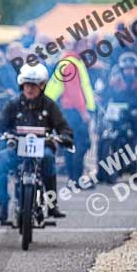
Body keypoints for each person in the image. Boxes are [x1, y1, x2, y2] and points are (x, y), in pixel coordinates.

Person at [0, 64, 73, 222]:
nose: (30, 89)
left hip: (43, 148)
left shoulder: (50, 105)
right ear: (22, 85)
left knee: (49, 159)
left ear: (42, 86)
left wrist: (65, 137)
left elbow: (63, 126)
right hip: (16, 148)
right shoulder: (13, 104)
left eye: (34, 85)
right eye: (27, 84)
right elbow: (0, 123)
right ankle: (2, 206)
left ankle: (52, 204)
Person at [45, 41, 96, 184]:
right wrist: (83, 112)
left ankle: (73, 178)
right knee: (81, 144)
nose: (88, 47)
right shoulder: (71, 63)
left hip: (70, 111)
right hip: (74, 112)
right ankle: (76, 178)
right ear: (78, 46)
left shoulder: (71, 61)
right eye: (85, 45)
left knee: (71, 145)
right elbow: (74, 91)